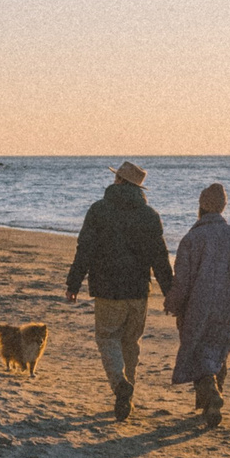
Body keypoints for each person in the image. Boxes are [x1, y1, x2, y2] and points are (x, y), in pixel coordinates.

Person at [65, 161, 173, 421]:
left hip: (107, 289)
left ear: (119, 181)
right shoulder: (150, 215)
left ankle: (120, 384)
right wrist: (171, 293)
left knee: (107, 338)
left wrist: (73, 283)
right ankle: (127, 396)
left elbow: (84, 249)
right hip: (138, 291)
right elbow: (160, 258)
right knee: (131, 343)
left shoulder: (99, 210)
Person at [162, 181, 230, 428]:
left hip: (198, 304)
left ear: (201, 207)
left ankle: (210, 394)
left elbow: (182, 279)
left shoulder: (192, 238)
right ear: (223, 208)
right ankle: (211, 401)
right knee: (218, 349)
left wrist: (173, 303)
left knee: (197, 350)